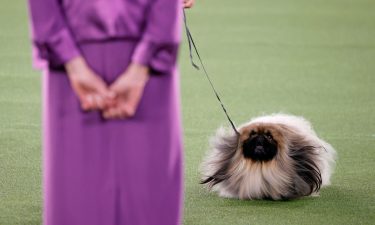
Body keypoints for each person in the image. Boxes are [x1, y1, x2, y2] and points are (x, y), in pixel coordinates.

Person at [27, 0, 194, 224]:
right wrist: (144, 62)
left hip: (76, 56)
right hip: (142, 57)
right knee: (147, 199)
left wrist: (70, 59)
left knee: (78, 196)